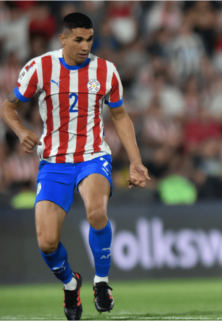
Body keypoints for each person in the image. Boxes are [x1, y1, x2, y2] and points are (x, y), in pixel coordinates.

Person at [0, 13, 150, 320]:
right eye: (79, 39)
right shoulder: (40, 67)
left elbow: (120, 117)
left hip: (93, 154)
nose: (85, 46)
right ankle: (71, 284)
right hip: (54, 161)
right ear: (63, 39)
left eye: (90, 39)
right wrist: (22, 132)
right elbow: (8, 107)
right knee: (46, 241)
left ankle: (102, 282)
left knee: (96, 212)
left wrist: (136, 162)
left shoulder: (106, 71)